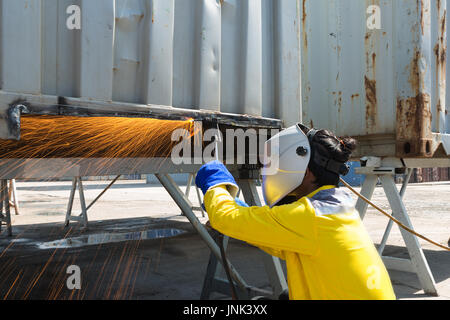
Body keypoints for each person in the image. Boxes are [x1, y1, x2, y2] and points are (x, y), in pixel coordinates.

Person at [195, 123, 396, 300]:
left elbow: (224, 219)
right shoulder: (335, 210)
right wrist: (244, 212)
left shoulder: (310, 216)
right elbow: (280, 241)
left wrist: (216, 184)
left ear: (306, 171)